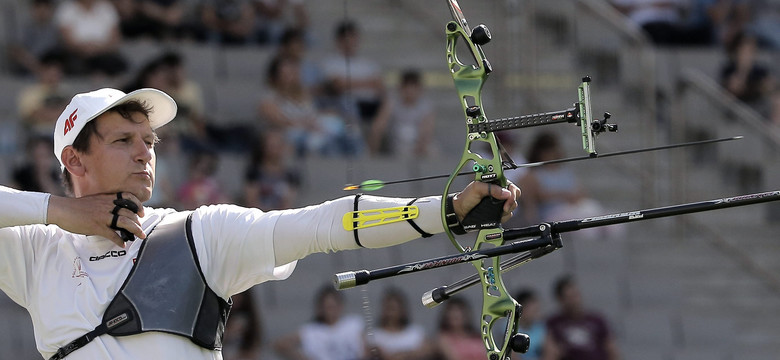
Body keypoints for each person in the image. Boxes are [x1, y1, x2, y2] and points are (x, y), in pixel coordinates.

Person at [0, 87, 519, 359]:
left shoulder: (197, 233)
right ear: (75, 161)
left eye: (151, 142)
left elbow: (325, 223)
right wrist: (62, 211)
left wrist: (448, 210)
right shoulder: (33, 248)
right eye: (123, 141)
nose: (145, 154)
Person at [274, 285, 367, 360]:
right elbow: (280, 344)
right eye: (327, 307)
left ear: (340, 306)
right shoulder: (311, 331)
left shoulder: (352, 324)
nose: (330, 312)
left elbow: (364, 350)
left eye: (332, 307)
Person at [545, 275, 620, 360]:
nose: (575, 300)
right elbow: (550, 353)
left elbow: (611, 349)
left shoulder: (597, 320)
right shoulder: (553, 323)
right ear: (560, 299)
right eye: (570, 297)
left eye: (576, 295)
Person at [372, 288, 432, 360]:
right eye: (389, 308)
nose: (391, 313)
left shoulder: (416, 332)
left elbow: (428, 350)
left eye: (394, 309)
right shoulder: (375, 335)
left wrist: (406, 355)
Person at [512, 288, 553, 360]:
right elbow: (511, 355)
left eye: (537, 310)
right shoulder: (509, 329)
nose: (536, 314)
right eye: (533, 310)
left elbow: (551, 352)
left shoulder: (540, 327)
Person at [222, 290, 263, 360]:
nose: (236, 298)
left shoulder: (247, 318)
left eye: (238, 295)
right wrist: (229, 332)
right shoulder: (222, 315)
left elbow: (253, 348)